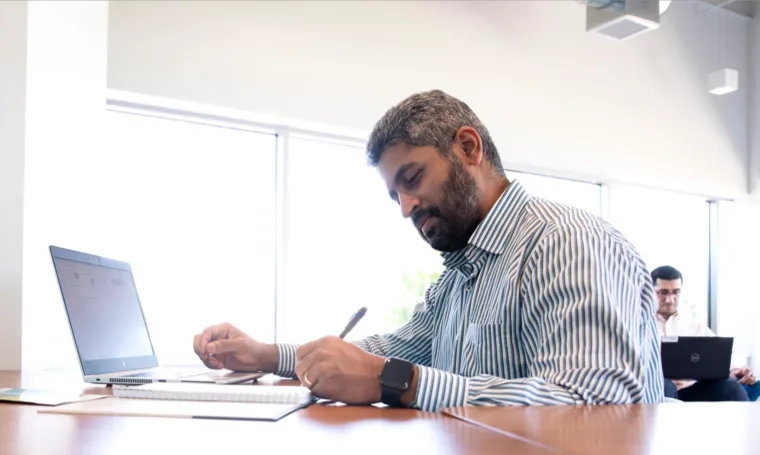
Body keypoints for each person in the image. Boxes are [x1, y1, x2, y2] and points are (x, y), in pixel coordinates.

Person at [193, 89, 665, 412]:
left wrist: (395, 382)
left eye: (412, 179)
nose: (405, 208)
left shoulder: (568, 242)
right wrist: (266, 354)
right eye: (394, 195)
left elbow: (596, 405)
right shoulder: (460, 276)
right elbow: (395, 349)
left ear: (468, 147)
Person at [652, 265, 756, 401]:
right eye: (663, 292)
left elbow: (720, 357)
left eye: (675, 292)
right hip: (659, 390)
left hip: (692, 390)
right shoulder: (640, 326)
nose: (670, 299)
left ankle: (751, 423)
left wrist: (736, 370)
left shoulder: (695, 327)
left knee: (731, 386)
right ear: (651, 291)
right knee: (666, 385)